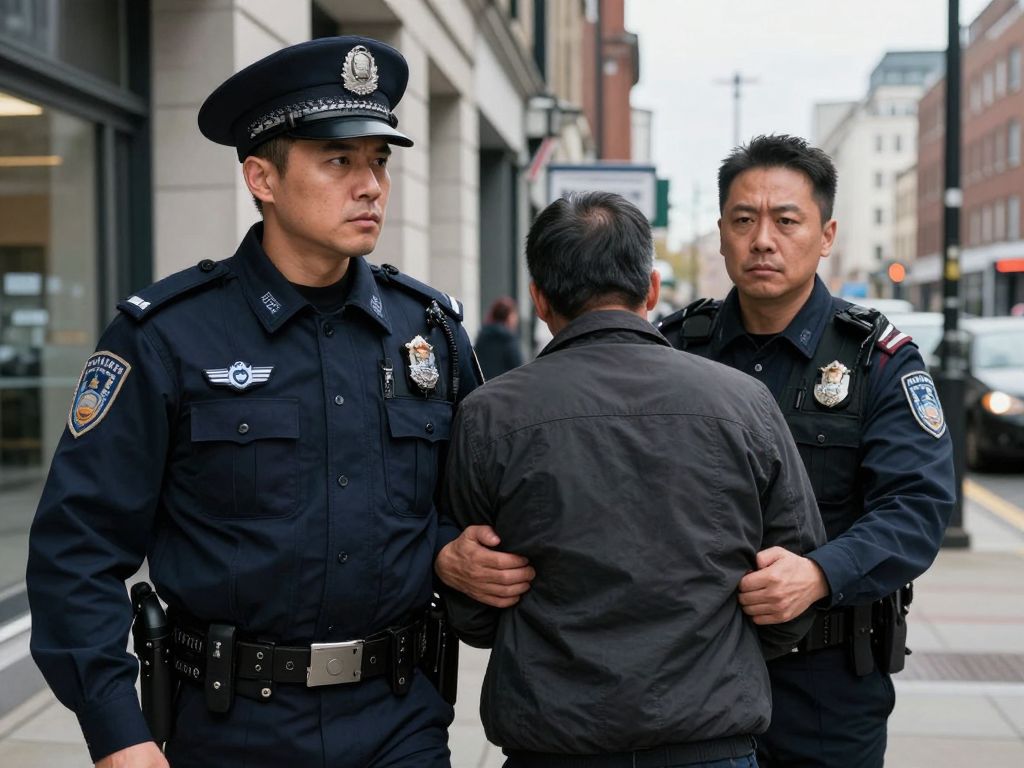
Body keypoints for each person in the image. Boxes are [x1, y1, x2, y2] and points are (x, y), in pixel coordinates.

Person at [24, 35, 518, 768]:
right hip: (233, 727)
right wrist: (117, 733)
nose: (372, 185)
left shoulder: (429, 330)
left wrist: (456, 551)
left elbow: (474, 503)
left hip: (400, 719)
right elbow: (77, 549)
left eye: (379, 161)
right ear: (262, 176)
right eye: (338, 160)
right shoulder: (167, 335)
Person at [443, 191, 826, 767]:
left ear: (540, 299)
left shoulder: (490, 414)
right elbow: (792, 585)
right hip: (708, 739)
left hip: (553, 740)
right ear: (650, 289)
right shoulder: (744, 402)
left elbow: (473, 607)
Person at [659, 134, 956, 767]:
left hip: (825, 685)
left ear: (826, 235)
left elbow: (917, 507)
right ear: (720, 232)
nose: (762, 239)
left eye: (786, 220)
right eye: (744, 220)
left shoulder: (877, 360)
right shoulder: (676, 349)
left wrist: (821, 574)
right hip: (688, 676)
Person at [474, 296, 524, 378]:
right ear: (509, 317)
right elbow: (520, 372)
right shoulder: (509, 340)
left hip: (484, 388)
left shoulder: (482, 338)